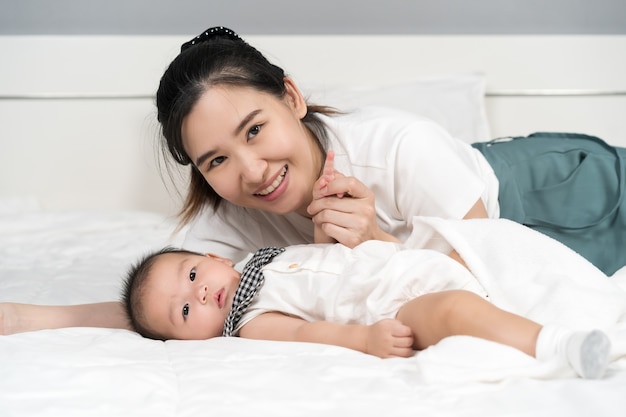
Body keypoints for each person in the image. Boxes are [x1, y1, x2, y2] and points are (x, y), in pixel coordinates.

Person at [2, 25, 626, 335]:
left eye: (254, 129)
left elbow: (490, 280)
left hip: (557, 196)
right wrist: (30, 319)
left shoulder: (397, 147)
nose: (251, 173)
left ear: (292, 97)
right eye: (214, 160)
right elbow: (165, 305)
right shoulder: (223, 218)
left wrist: (378, 239)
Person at [120, 240, 612, 380]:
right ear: (192, 342)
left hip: (410, 265)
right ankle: (558, 344)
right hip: (397, 306)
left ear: (210, 258)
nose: (199, 295)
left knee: (499, 242)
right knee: (455, 310)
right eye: (184, 312)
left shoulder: (258, 257)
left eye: (190, 276)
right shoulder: (247, 322)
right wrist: (364, 340)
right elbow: (302, 337)